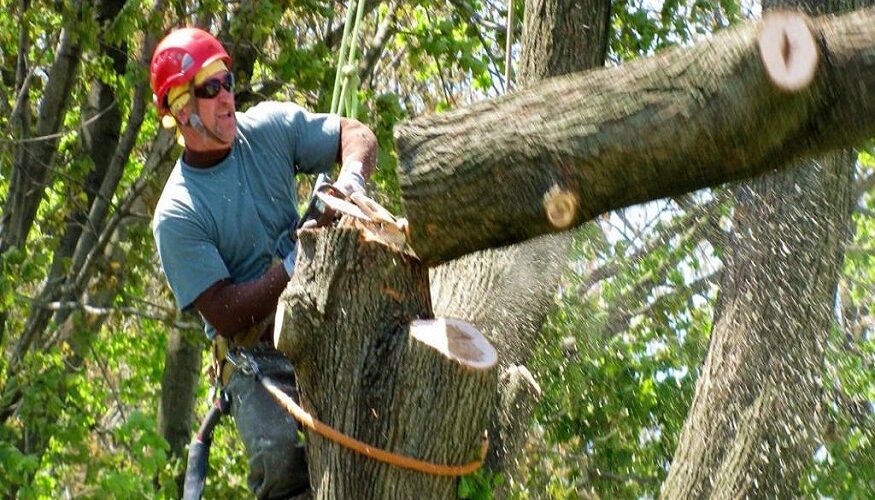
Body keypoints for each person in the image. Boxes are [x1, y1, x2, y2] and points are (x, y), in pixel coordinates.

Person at [149, 27, 377, 498]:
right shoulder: (178, 214)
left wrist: (350, 182)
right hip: (253, 352)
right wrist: (296, 261)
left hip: (320, 311)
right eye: (210, 89)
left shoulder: (268, 128)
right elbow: (226, 311)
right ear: (180, 109)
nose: (227, 97)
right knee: (276, 456)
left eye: (227, 81)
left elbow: (355, 134)